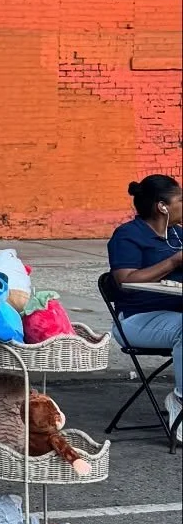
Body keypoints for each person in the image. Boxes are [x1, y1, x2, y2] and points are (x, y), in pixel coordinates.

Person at [106, 174, 183, 435]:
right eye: (180, 200)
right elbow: (125, 279)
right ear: (162, 206)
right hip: (137, 320)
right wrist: (173, 262)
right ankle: (181, 402)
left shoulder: (178, 234)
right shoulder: (128, 235)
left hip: (174, 315)